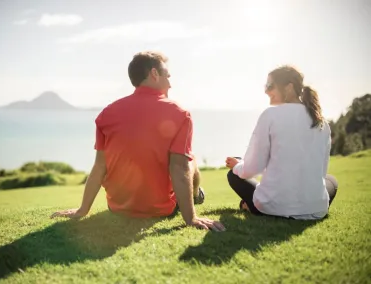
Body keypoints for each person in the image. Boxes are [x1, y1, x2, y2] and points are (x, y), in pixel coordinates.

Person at [51, 51, 225, 232]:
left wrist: (82, 210)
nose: (170, 84)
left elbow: (99, 166)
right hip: (161, 209)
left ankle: (193, 195)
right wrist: (191, 218)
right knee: (191, 159)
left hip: (118, 208)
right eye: (167, 76)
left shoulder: (107, 113)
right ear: (154, 74)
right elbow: (179, 168)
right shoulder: (180, 114)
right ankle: (196, 195)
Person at [225, 65, 338, 220]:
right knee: (331, 180)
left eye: (270, 86)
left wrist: (237, 165)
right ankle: (306, 205)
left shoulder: (270, 115)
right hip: (315, 209)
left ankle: (251, 206)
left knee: (234, 175)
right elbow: (321, 172)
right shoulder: (322, 123)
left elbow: (251, 169)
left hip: (273, 208)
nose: (266, 91)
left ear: (289, 87)